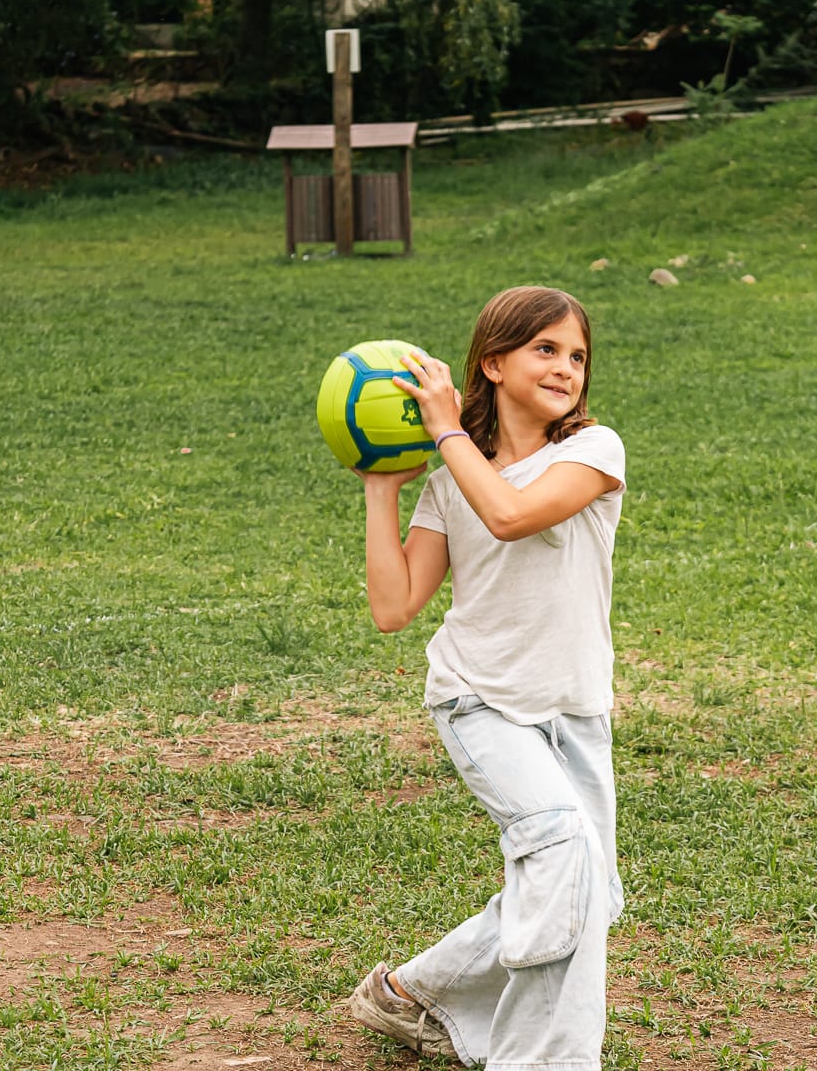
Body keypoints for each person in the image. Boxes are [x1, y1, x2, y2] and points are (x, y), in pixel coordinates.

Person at [346, 286, 625, 1070]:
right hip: (480, 701)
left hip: (573, 707)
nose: (565, 367)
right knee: (562, 854)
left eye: (577, 355)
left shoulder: (592, 452)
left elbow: (510, 514)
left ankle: (410, 993)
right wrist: (380, 490)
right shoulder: (453, 480)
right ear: (493, 364)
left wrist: (445, 435)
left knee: (587, 892)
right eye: (545, 349)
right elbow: (394, 607)